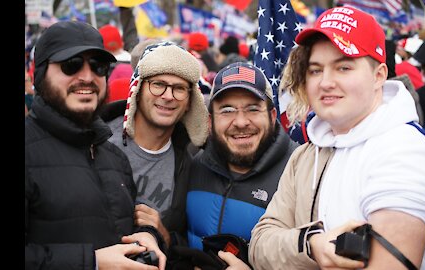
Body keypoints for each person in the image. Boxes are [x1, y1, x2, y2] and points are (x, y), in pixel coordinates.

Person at [249, 6, 425, 270]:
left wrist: (292, 247)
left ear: (379, 76)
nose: (325, 82)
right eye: (315, 70)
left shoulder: (403, 150)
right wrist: (310, 244)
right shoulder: (305, 155)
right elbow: (260, 243)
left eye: (343, 67)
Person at [25, 20, 167, 269]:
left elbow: (121, 227)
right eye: (72, 65)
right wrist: (92, 263)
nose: (87, 77)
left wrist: (147, 235)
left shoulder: (113, 156)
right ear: (40, 74)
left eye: (98, 66)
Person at [172, 62, 298, 269]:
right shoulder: (192, 164)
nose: (240, 122)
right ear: (210, 121)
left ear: (272, 116)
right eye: (227, 110)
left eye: (253, 109)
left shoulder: (299, 171)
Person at [100, 41, 209, 252]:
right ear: (138, 89)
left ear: (189, 101)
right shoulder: (97, 142)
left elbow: (183, 240)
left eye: (179, 88)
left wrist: (164, 236)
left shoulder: (191, 161)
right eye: (158, 84)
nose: (168, 96)